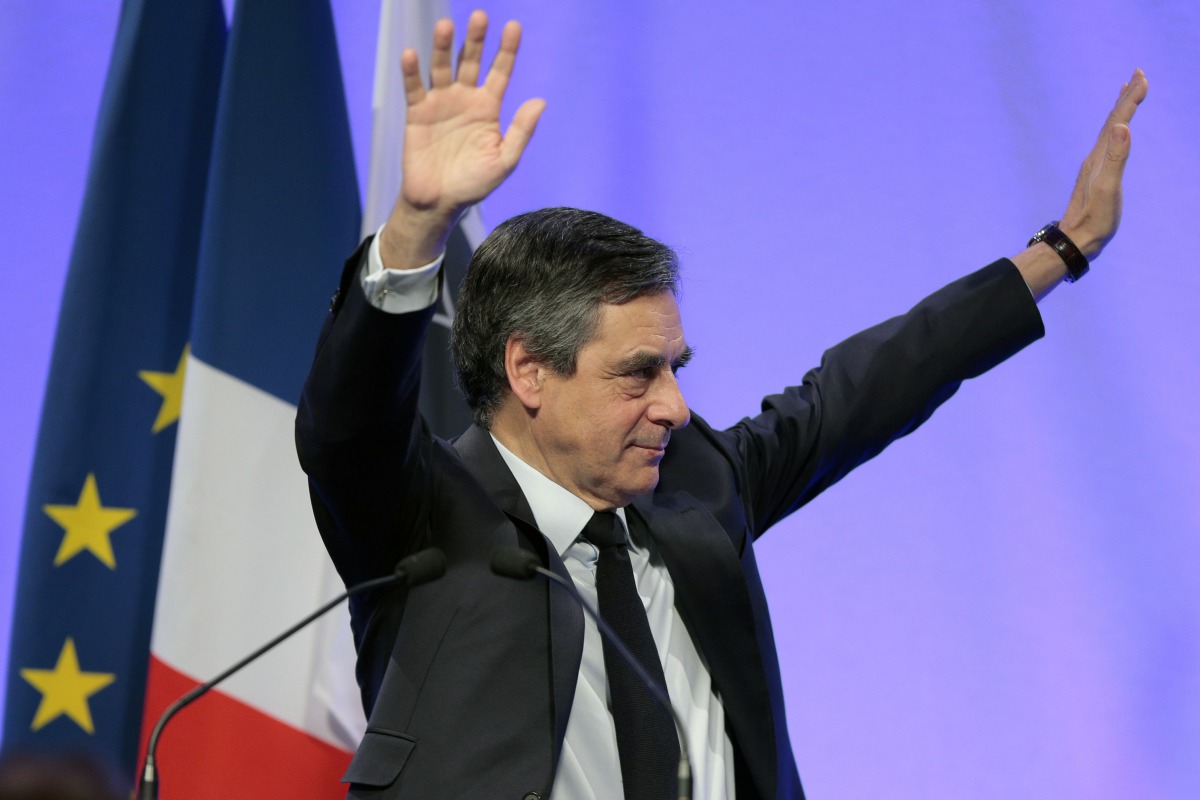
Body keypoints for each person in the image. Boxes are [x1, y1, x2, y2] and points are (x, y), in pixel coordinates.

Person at [295, 10, 1147, 800]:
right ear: (529, 372)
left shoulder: (696, 484)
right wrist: (417, 226)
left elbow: (871, 385)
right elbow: (349, 420)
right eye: (639, 374)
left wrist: (1061, 251)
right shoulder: (422, 521)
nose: (674, 406)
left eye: (676, 367)